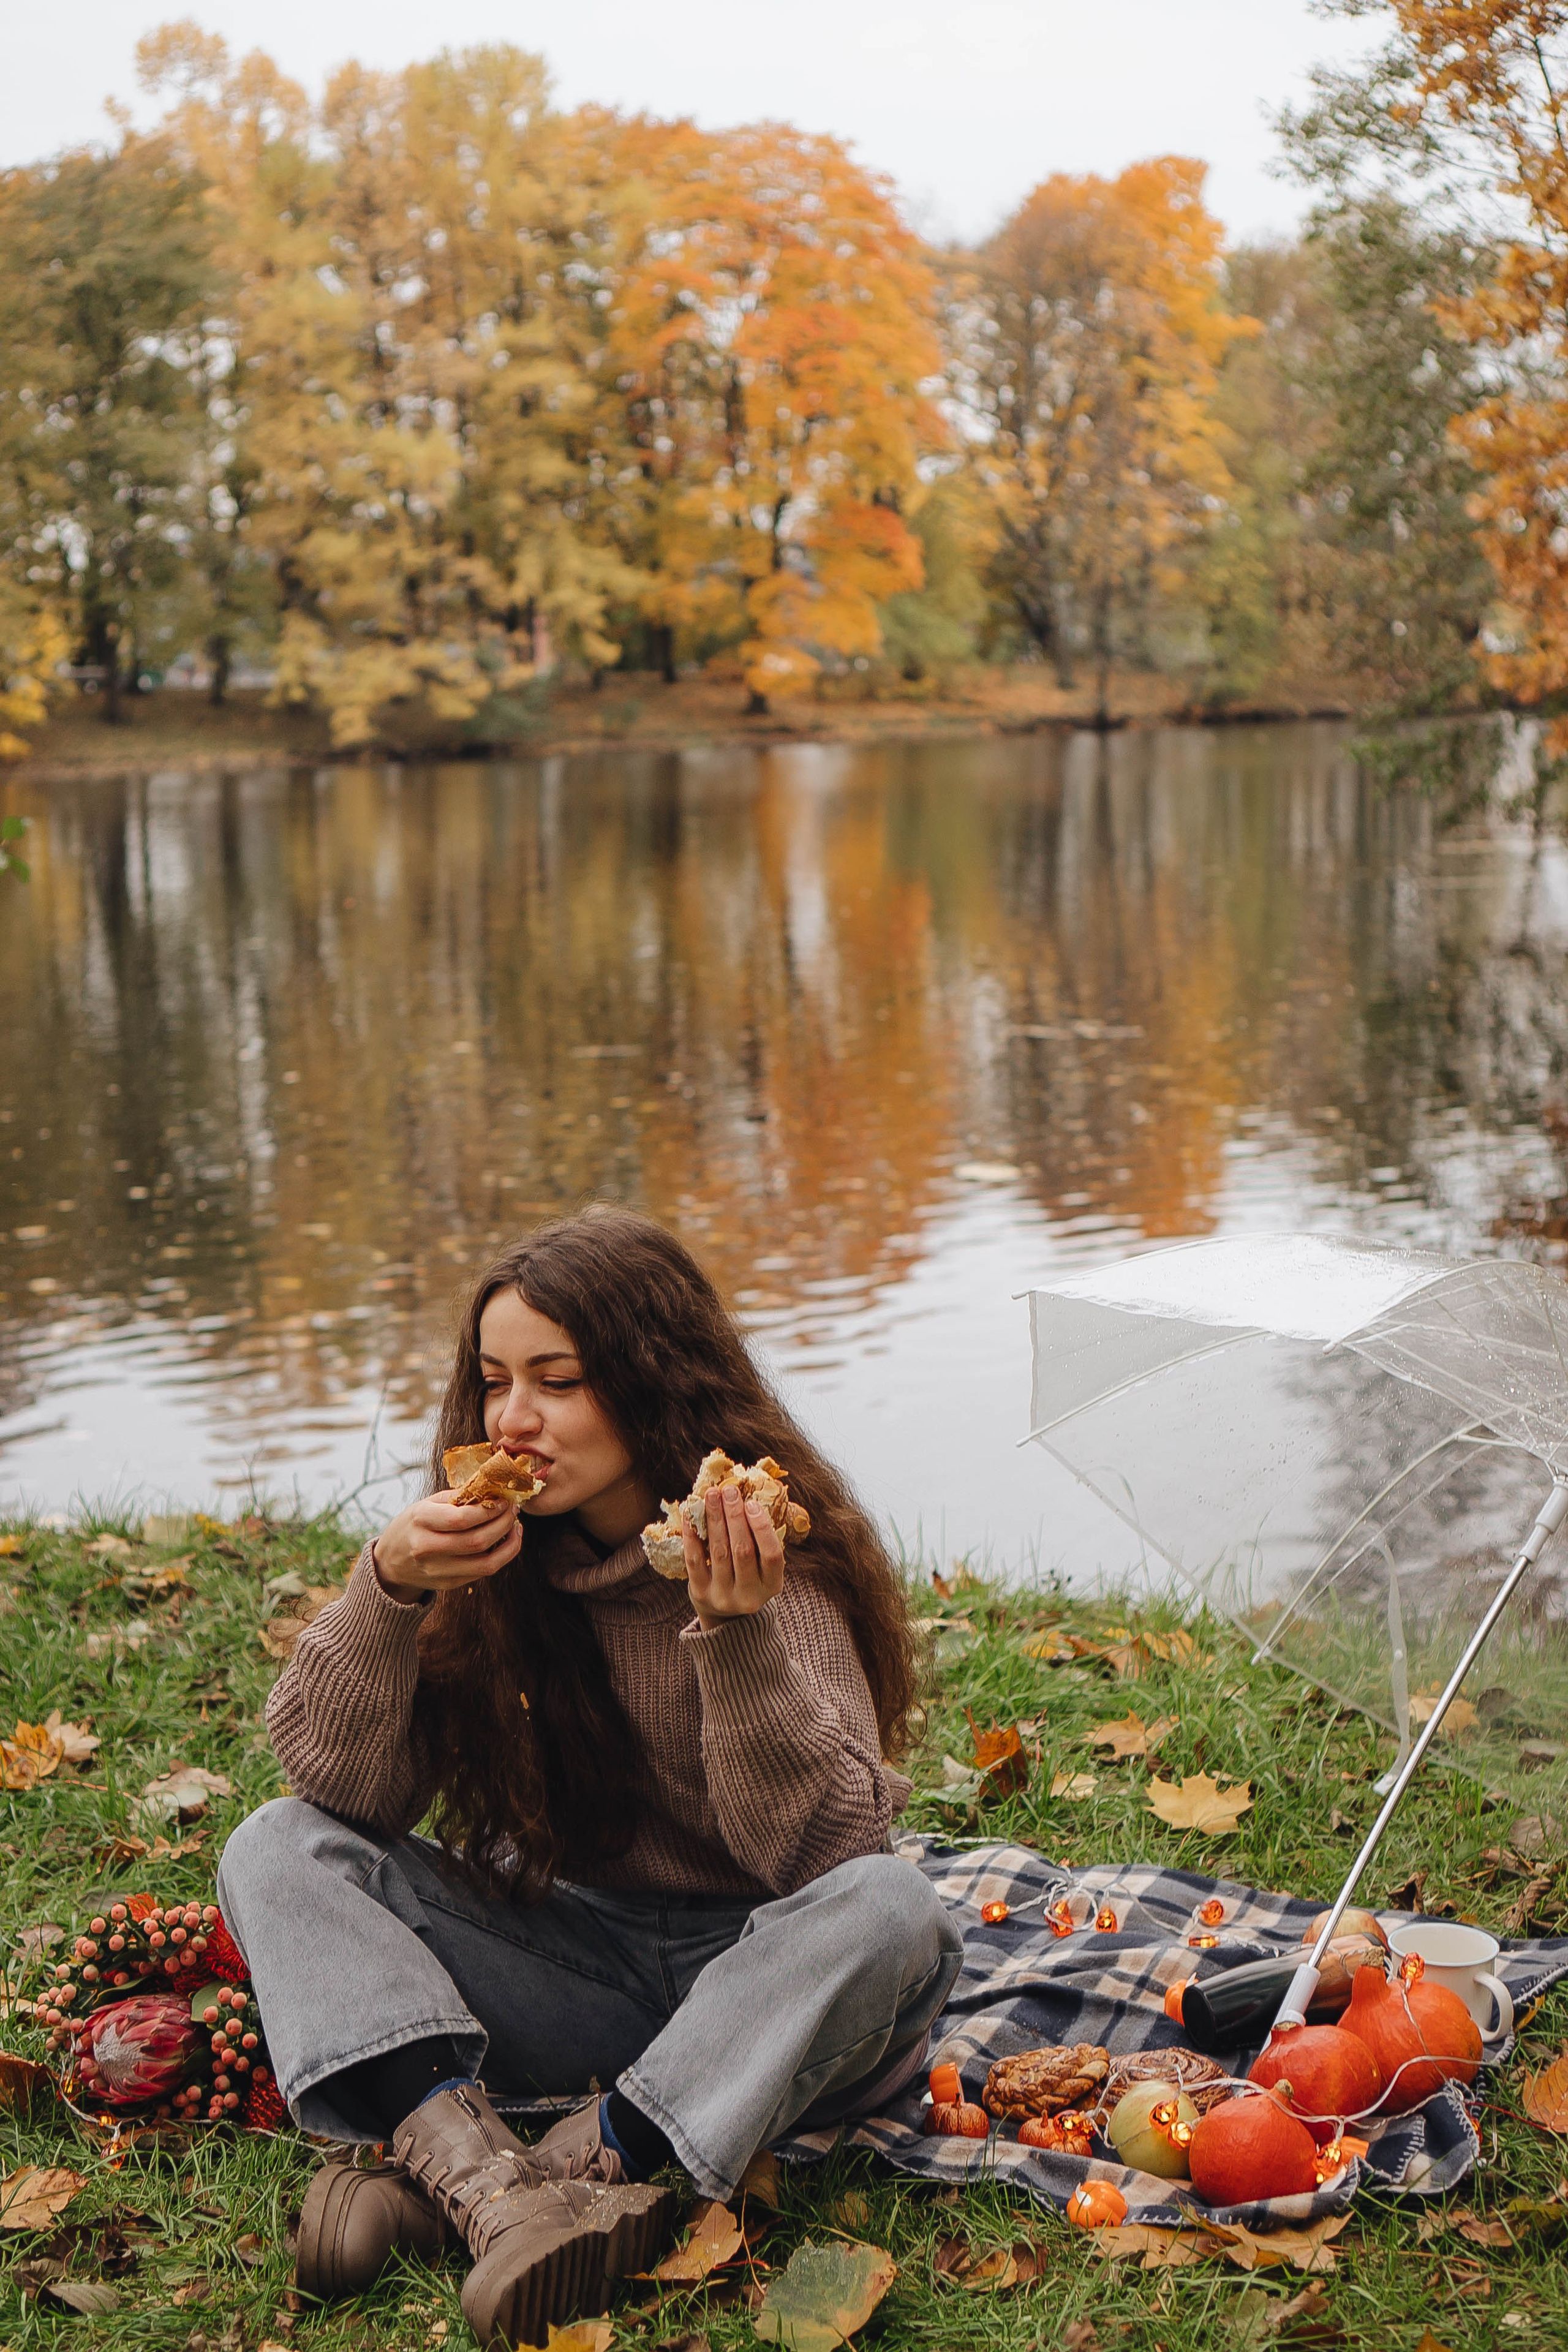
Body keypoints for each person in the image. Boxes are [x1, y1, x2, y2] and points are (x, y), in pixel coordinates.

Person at [217, 1207, 963, 2350]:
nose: (513, 1420)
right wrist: (388, 1589)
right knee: (275, 1842)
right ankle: (486, 2179)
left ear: (652, 1382)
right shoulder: (488, 1565)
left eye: (557, 1381)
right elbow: (342, 1789)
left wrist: (737, 1634)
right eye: (494, 1380)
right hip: (583, 1970)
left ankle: (594, 2162)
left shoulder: (773, 1564)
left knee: (897, 1908)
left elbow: (823, 1859)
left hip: (770, 1999)